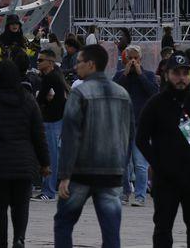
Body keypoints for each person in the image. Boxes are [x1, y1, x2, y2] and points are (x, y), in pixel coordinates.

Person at [136, 52, 190, 248]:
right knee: (163, 229)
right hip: (166, 181)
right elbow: (141, 139)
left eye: (185, 73)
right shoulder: (155, 104)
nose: (181, 78)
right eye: (176, 73)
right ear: (166, 75)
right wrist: (157, 164)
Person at [54, 44, 133, 248]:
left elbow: (71, 135)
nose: (76, 66)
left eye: (79, 62)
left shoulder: (80, 93)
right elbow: (128, 134)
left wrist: (64, 175)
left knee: (63, 223)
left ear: (91, 64)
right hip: (112, 171)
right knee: (111, 231)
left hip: (82, 170)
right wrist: (122, 167)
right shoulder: (122, 93)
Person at [0, 60, 50, 248]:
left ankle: (1, 244)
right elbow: (38, 134)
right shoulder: (28, 100)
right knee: (21, 207)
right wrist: (45, 162)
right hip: (23, 163)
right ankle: (19, 238)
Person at [112, 43, 158, 207]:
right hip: (123, 124)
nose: (132, 61)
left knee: (140, 163)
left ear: (140, 59)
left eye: (135, 58)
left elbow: (153, 93)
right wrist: (125, 74)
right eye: (129, 58)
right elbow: (114, 92)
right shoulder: (119, 75)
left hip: (141, 124)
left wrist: (140, 74)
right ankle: (125, 193)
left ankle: (140, 195)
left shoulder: (149, 75)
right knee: (122, 163)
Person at [34, 47, 68, 201]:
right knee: (54, 156)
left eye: (41, 60)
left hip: (51, 121)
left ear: (50, 62)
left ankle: (48, 191)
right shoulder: (56, 75)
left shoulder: (49, 77)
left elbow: (39, 99)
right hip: (56, 120)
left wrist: (45, 103)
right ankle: (49, 189)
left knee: (50, 157)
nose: (38, 62)